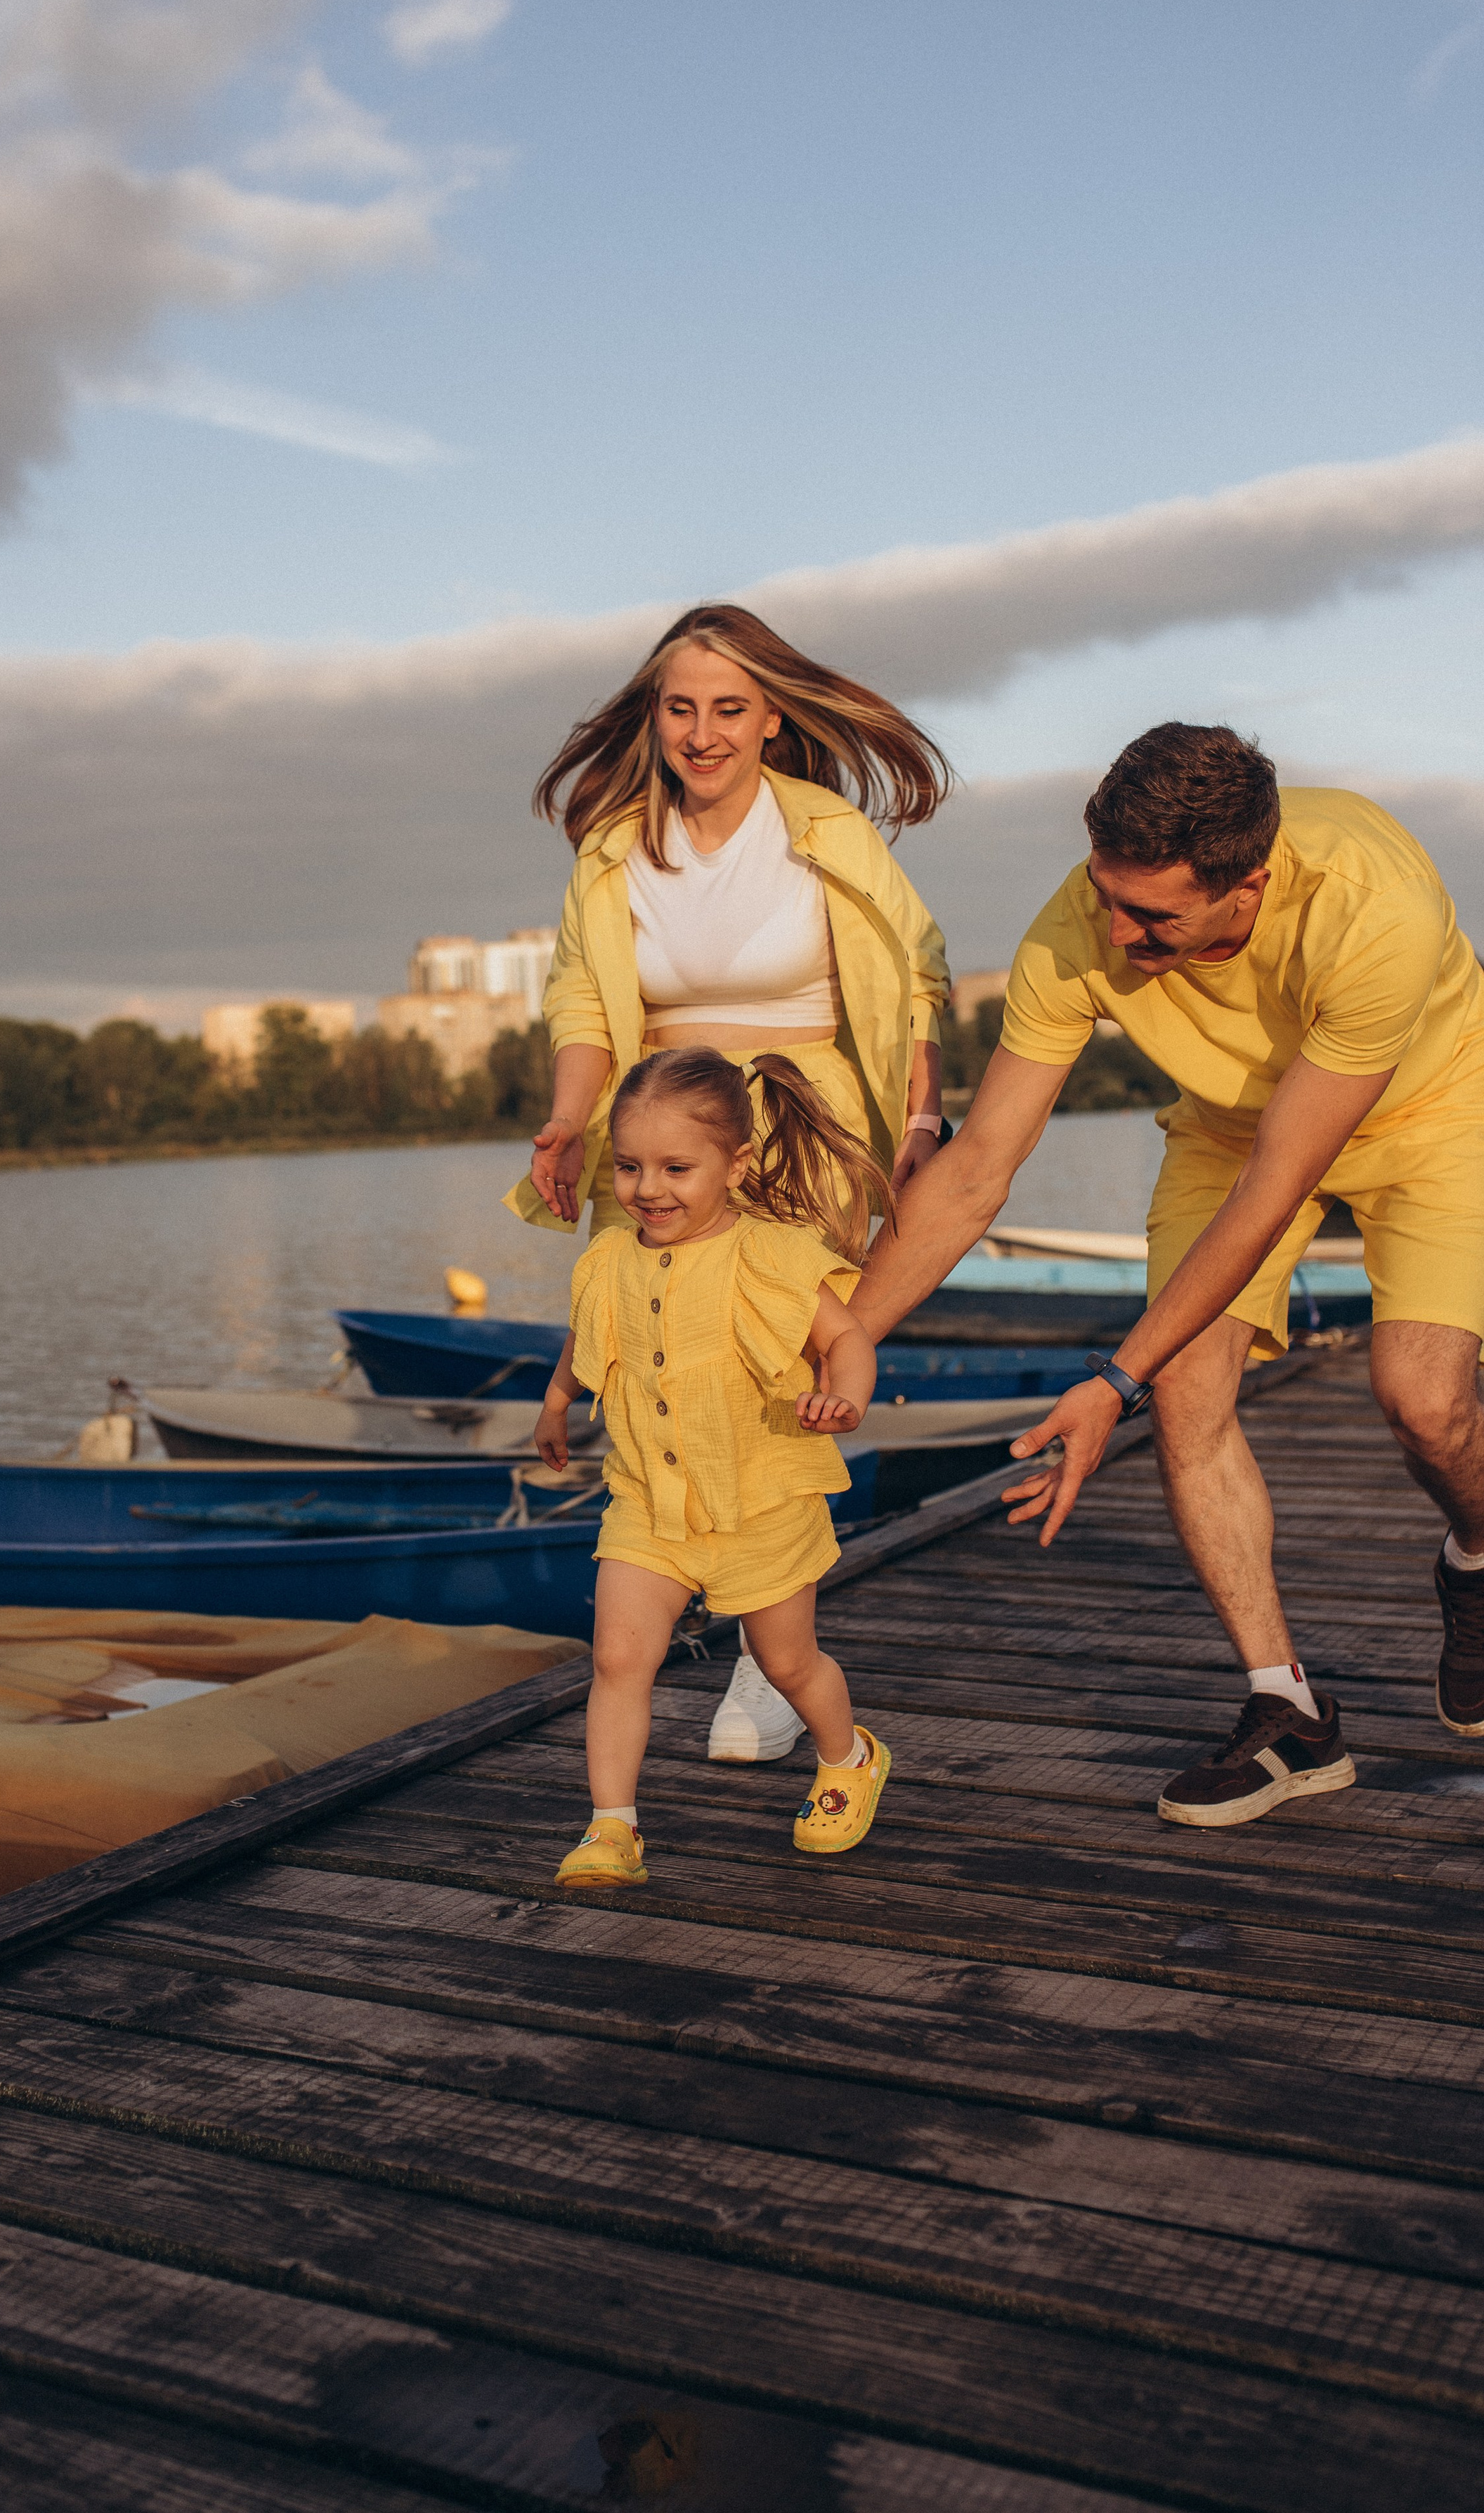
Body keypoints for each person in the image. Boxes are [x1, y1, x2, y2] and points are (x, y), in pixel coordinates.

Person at [848, 722, 1484, 1827]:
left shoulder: (1370, 903)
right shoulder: (1080, 922)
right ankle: (1289, 1712)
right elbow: (974, 1171)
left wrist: (1112, 1376)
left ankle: (1476, 1549)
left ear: (1251, 887)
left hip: (1431, 1115)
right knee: (1191, 1396)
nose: (1117, 930)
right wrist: (841, 1333)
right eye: (1107, 894)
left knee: (1424, 1398)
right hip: (1229, 1132)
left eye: (1153, 915)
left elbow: (1280, 1190)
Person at [509, 602, 952, 1767]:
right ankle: (689, 1605)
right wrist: (566, 1118)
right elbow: (582, 1006)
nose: (702, 733)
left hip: (803, 1122)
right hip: (656, 1125)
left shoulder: (826, 833)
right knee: (663, 1364)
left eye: (729, 709)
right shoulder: (613, 850)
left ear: (770, 720)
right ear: (654, 717)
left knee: (777, 1368)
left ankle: (766, 1648)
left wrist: (920, 1116)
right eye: (681, 708)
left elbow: (915, 976)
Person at [534, 1046, 890, 1887]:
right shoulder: (609, 1257)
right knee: (619, 1659)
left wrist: (845, 1397)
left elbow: (845, 1337)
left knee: (787, 1663)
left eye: (675, 1167)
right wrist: (555, 1404)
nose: (647, 1189)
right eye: (627, 1167)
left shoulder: (770, 1253)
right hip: (647, 1503)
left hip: (760, 1498)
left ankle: (848, 1758)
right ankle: (612, 1827)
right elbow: (586, 1336)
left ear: (736, 1165)